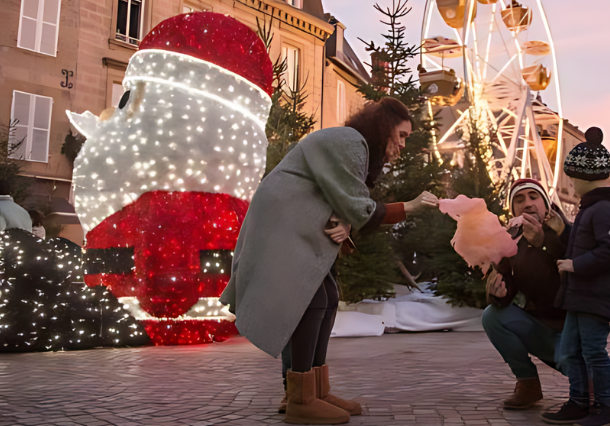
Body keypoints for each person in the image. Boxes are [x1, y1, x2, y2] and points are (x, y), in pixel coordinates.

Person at [220, 97, 439, 425]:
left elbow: (333, 198)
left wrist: (339, 224)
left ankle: (310, 390)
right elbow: (358, 207)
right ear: (385, 127)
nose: (403, 144)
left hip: (294, 218)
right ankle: (301, 398)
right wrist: (410, 206)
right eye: (402, 135)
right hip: (287, 220)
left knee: (326, 296)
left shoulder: (350, 145)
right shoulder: (353, 142)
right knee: (313, 298)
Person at [541, 128, 610, 426]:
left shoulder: (605, 209)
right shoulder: (593, 209)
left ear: (585, 177)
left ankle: (604, 408)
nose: (571, 183)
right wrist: (564, 232)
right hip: (581, 295)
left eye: (572, 177)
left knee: (593, 351)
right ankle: (579, 402)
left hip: (594, 295)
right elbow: (591, 243)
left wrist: (576, 265)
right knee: (571, 351)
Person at [482, 178, 568, 410]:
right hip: (541, 328)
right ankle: (527, 383)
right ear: (513, 210)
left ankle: (587, 385)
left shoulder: (568, 231)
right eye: (519, 200)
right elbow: (507, 292)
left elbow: (579, 275)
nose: (528, 204)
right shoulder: (512, 242)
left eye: (534, 197)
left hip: (574, 329)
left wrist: (544, 242)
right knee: (492, 316)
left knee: (572, 363)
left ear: (546, 204)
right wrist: (498, 293)